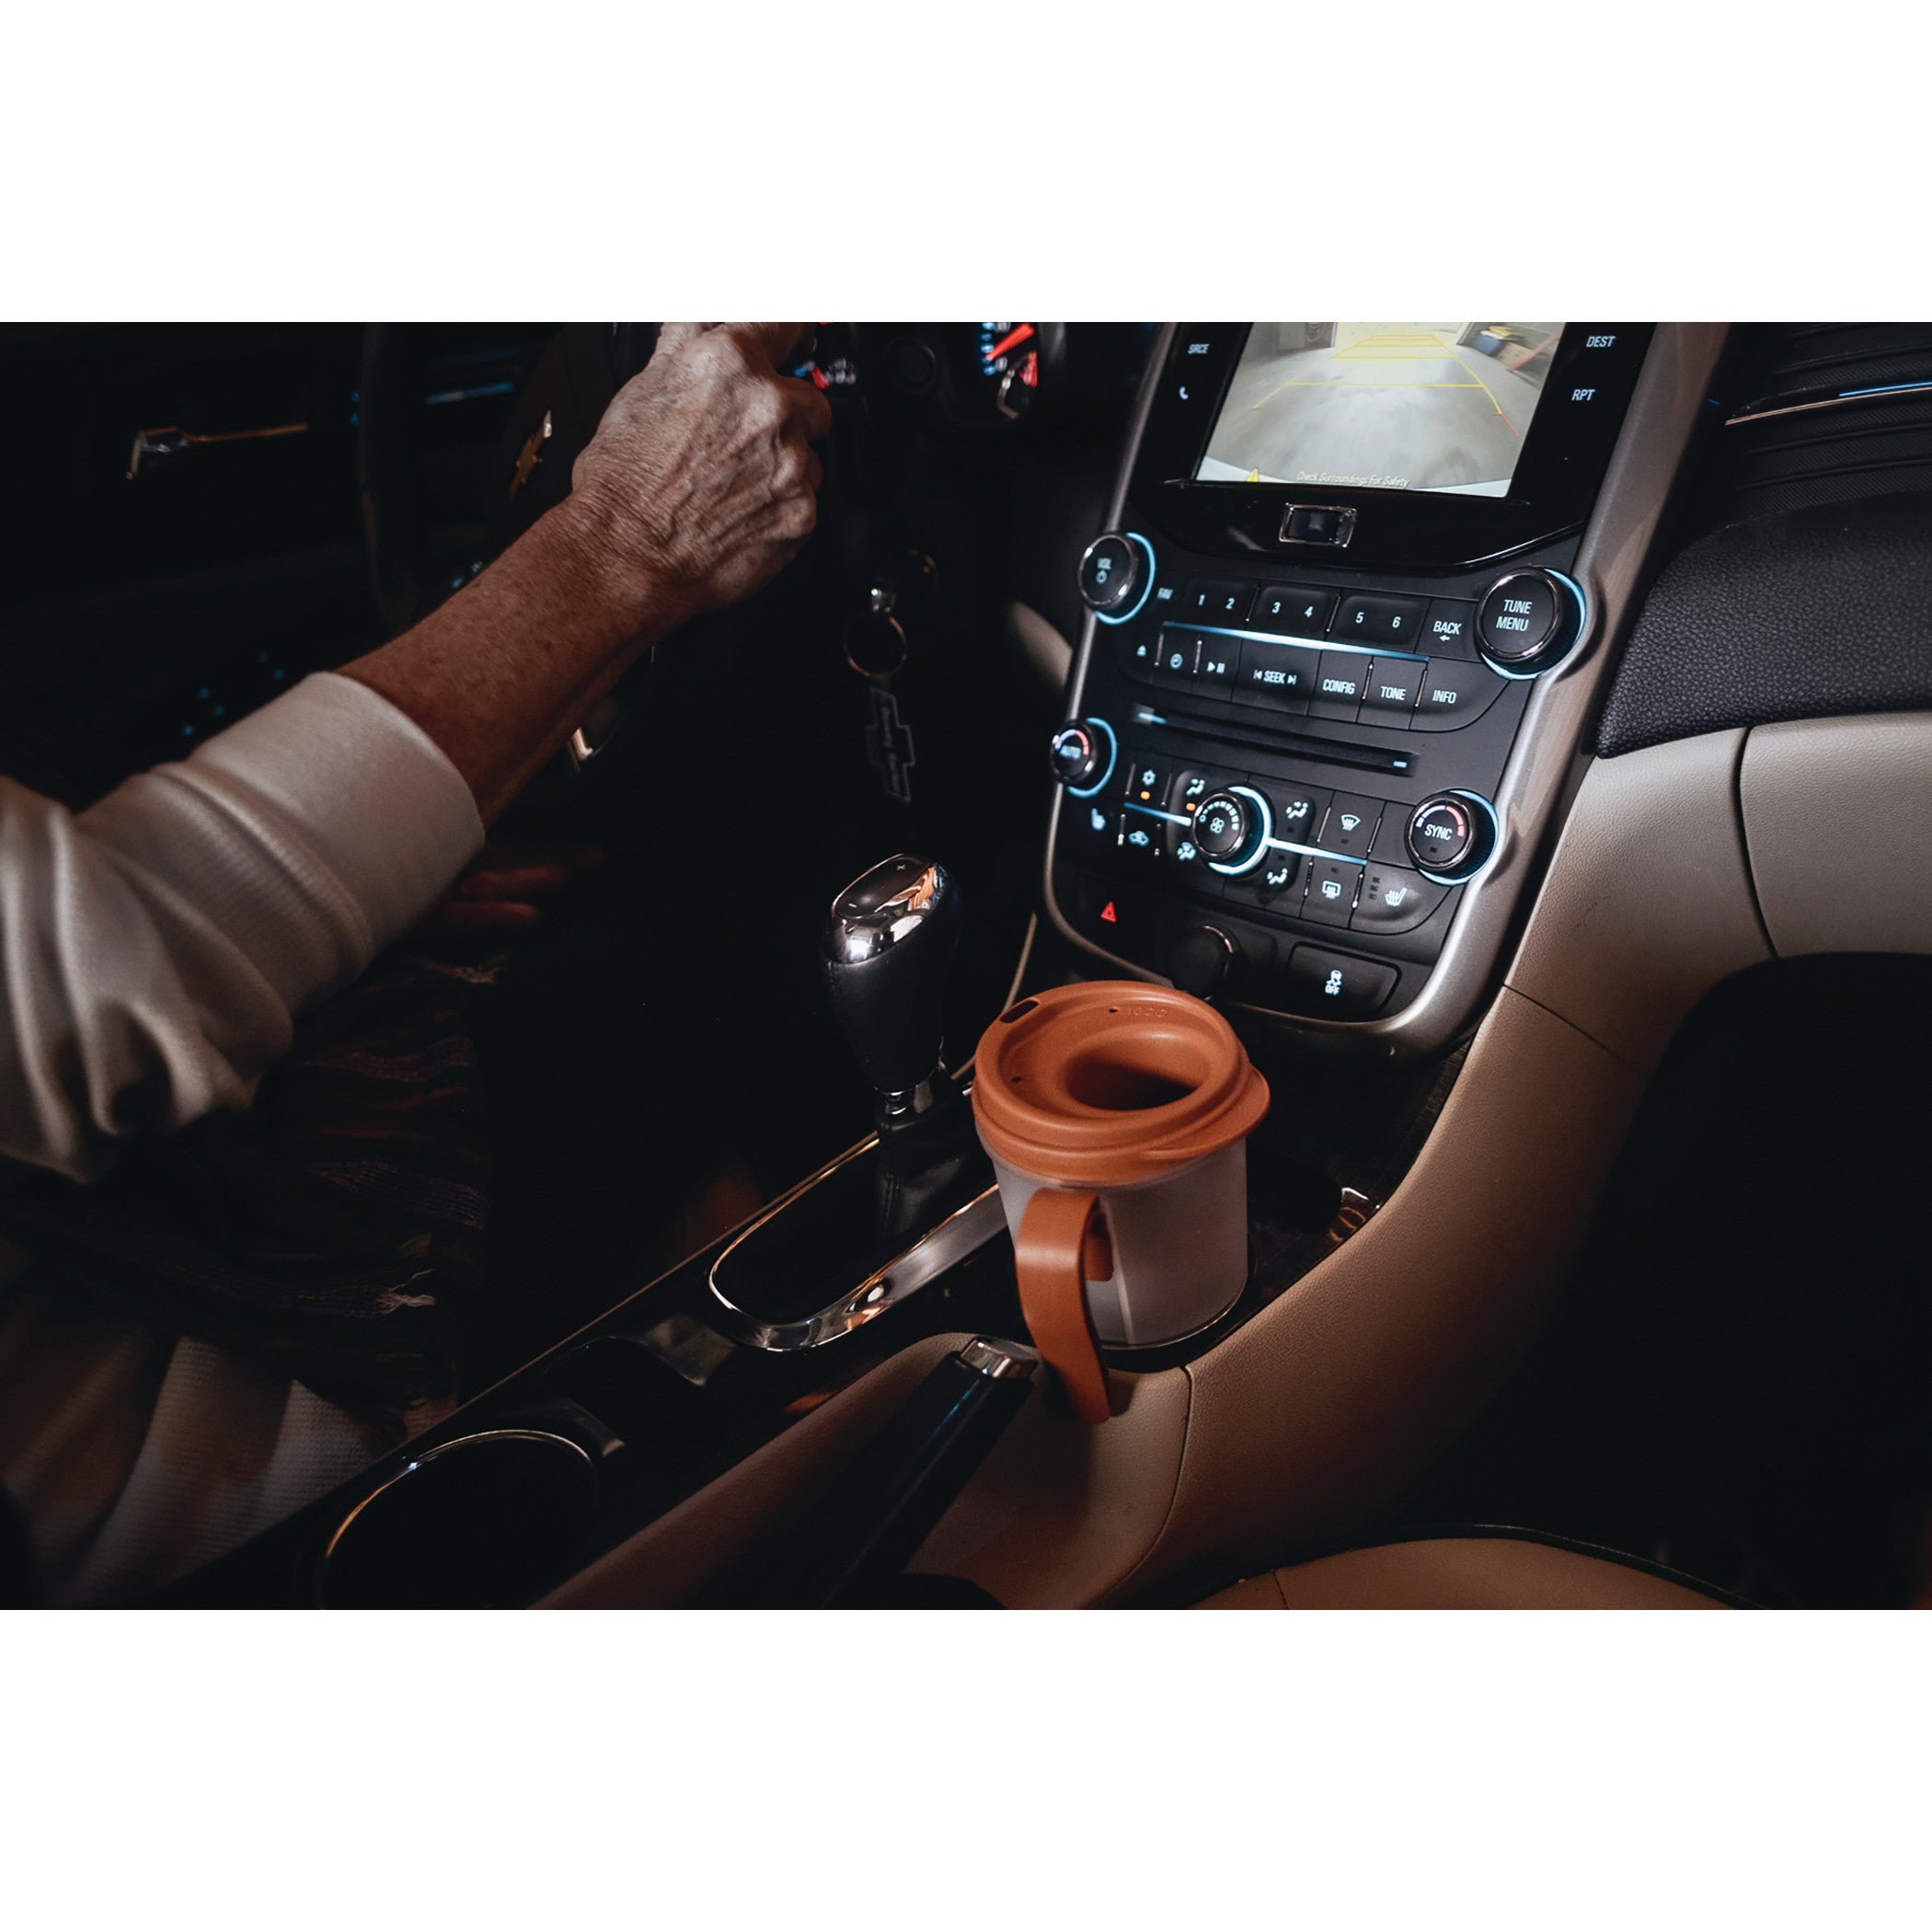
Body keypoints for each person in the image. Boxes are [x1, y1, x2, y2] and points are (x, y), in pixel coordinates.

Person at [0, 323, 832, 1603]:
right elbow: (112, 977)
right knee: (727, 985)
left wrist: (336, 907)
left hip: (174, 1248)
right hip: (301, 1473)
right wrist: (623, 544)